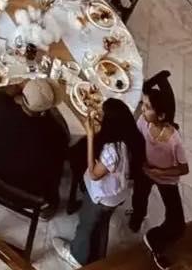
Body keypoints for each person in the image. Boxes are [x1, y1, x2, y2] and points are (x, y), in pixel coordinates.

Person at [55, 98, 144, 268]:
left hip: (103, 197)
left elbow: (94, 174)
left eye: (103, 116)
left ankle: (77, 256)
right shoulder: (133, 139)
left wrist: (90, 137)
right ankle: (99, 257)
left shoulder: (111, 151)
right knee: (102, 225)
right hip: (118, 195)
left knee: (86, 224)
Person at [0, 79, 68, 209]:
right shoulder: (57, 133)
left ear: (22, 98)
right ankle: (47, 209)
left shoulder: (3, 108)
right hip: (33, 196)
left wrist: (18, 86)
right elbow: (56, 170)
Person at [130, 71, 188, 269]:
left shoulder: (174, 140)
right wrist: (142, 166)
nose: (142, 109)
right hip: (145, 171)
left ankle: (154, 238)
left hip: (166, 179)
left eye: (147, 107)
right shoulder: (143, 122)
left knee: (177, 223)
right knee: (139, 196)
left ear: (162, 115)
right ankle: (137, 218)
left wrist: (160, 173)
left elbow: (183, 168)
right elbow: (137, 143)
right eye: (143, 104)